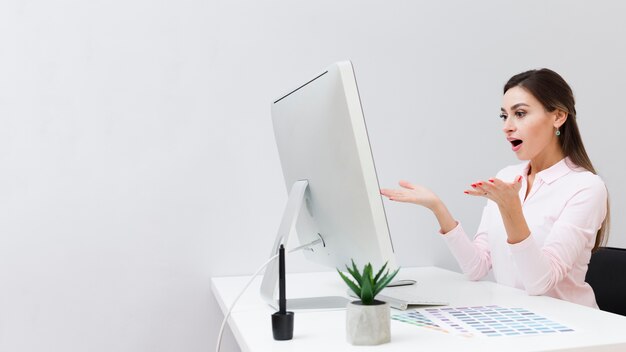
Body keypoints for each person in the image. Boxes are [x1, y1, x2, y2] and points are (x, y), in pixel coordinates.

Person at [380, 68, 610, 308]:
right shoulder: (507, 178)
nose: (507, 126)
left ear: (558, 116)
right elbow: (476, 267)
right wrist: (437, 208)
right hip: (517, 318)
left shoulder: (586, 187)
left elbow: (540, 282)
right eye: (504, 116)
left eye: (520, 114)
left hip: (572, 327)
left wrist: (511, 210)